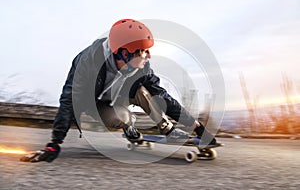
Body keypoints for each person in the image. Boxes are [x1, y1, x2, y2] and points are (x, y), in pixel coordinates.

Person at [20, 19, 221, 163]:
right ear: (124, 53)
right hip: (96, 105)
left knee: (143, 90)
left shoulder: (142, 67)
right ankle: (129, 126)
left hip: (120, 96)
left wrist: (196, 126)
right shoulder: (87, 63)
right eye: (143, 51)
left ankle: (167, 128)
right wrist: (55, 142)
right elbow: (68, 99)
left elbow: (164, 98)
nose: (148, 56)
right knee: (121, 117)